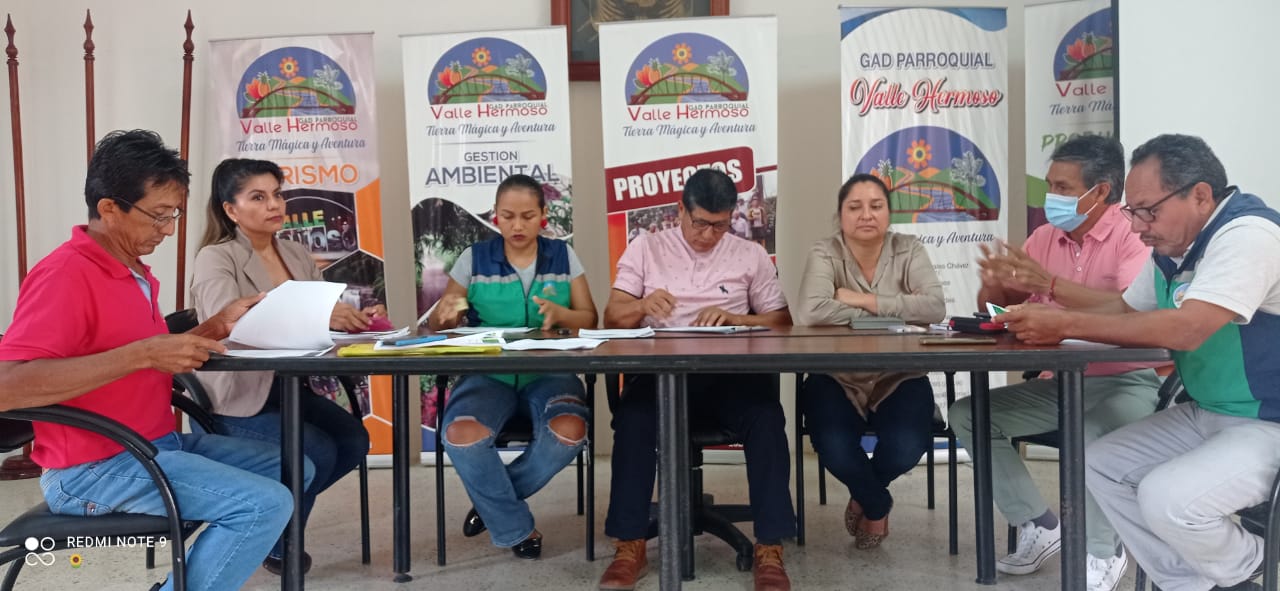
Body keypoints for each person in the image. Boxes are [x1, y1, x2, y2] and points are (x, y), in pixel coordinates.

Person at [0, 130, 312, 591]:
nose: (168, 229)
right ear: (110, 208)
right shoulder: (65, 274)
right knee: (263, 504)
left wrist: (213, 327)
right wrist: (142, 353)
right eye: (159, 215)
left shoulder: (133, 271)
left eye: (174, 214)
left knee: (295, 467)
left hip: (152, 443)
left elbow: (142, 358)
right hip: (92, 468)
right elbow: (8, 386)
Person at [997, 134, 1280, 591]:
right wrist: (1056, 310)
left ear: (1200, 196)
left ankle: (1250, 565)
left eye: (1148, 210)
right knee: (1099, 463)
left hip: (1268, 421)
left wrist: (1064, 322)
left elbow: (1188, 328)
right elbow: (1126, 308)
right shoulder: (1176, 249)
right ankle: (1191, 583)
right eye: (1132, 211)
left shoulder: (1249, 236)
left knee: (1167, 499)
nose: (1135, 226)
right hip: (1209, 411)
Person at [949, 135, 1163, 590]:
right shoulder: (1044, 237)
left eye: (1063, 188)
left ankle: (1104, 551)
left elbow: (1133, 310)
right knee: (969, 413)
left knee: (1089, 434)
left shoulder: (1133, 236)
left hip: (1128, 381)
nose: (1052, 197)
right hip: (1059, 382)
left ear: (1100, 191)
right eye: (1050, 185)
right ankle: (1039, 523)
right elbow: (998, 306)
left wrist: (1050, 284)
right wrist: (994, 287)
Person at [598, 168, 796, 591]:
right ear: (680, 210)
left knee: (766, 419)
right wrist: (642, 306)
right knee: (633, 420)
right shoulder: (647, 247)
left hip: (729, 376)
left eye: (719, 225)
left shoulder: (750, 255)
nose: (708, 235)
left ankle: (769, 547)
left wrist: (737, 318)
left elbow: (781, 322)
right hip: (659, 375)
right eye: (700, 223)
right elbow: (611, 317)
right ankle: (629, 545)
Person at [190, 158, 374, 575]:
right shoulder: (215, 257)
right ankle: (278, 541)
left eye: (277, 194)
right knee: (317, 451)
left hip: (290, 385)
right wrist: (318, 315)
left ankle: (270, 525)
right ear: (230, 209)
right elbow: (228, 323)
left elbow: (318, 319)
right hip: (235, 398)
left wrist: (348, 320)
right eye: (258, 197)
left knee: (353, 441)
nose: (274, 204)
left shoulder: (294, 252)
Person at [427, 174, 596, 560]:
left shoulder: (563, 255)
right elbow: (442, 321)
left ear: (543, 215)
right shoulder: (474, 258)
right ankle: (514, 525)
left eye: (527, 216)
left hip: (550, 373)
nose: (517, 225)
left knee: (569, 432)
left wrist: (562, 314)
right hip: (488, 374)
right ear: (495, 216)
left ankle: (492, 504)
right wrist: (445, 314)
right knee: (461, 435)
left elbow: (589, 317)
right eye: (507, 216)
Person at [796, 173, 947, 550]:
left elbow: (933, 307)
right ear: (840, 215)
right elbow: (812, 311)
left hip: (899, 373)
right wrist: (895, 314)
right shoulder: (824, 251)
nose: (866, 214)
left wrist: (861, 300)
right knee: (833, 444)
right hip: (836, 374)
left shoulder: (909, 249)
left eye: (876, 206)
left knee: (907, 445)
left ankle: (862, 495)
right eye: (855, 207)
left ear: (889, 213)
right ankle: (877, 505)